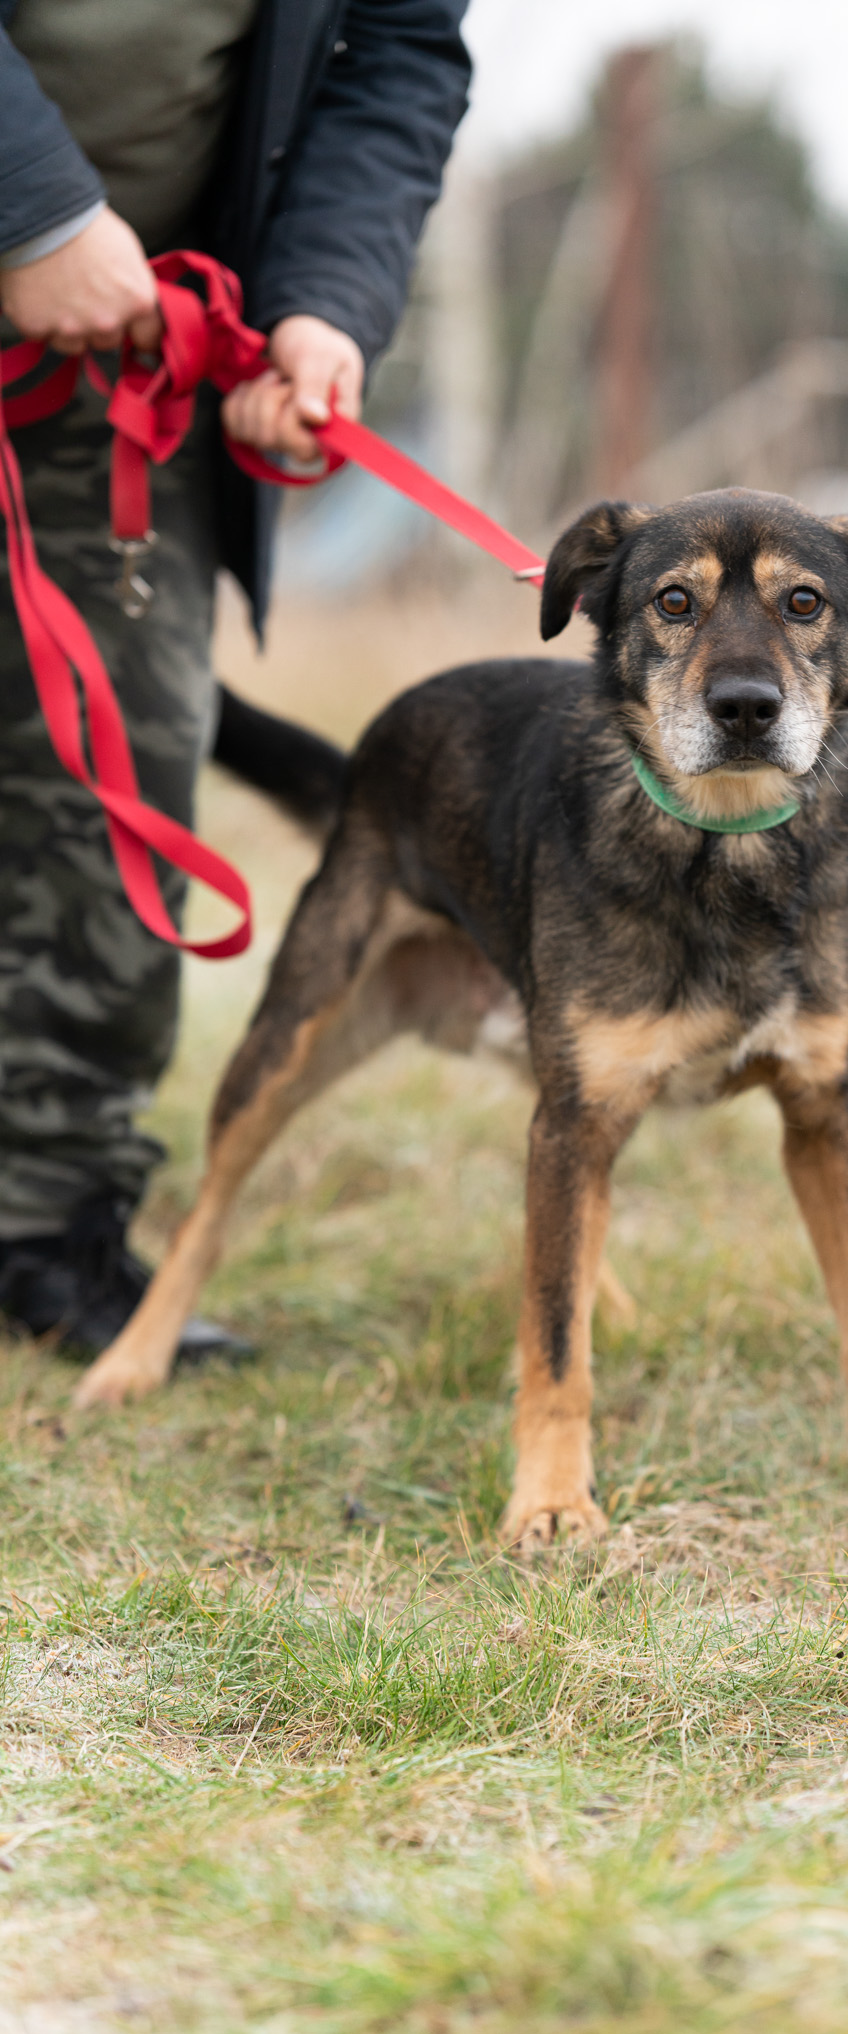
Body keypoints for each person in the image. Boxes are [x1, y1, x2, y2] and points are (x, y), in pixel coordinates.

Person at [0, 0, 472, 1353]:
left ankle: (43, 1232)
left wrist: (320, 304)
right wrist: (33, 210)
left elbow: (397, 49)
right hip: (57, 249)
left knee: (117, 781)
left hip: (119, 364)